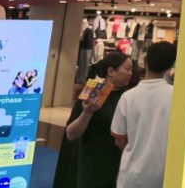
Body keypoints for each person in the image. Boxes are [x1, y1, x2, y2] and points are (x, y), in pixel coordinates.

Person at [53, 52, 134, 188]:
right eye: (127, 69)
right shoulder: (93, 91)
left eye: (132, 69)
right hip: (90, 163)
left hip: (117, 163)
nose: (130, 73)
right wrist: (88, 112)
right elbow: (71, 134)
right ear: (111, 71)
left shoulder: (128, 97)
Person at [111, 41, 177, 188]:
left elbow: (119, 140)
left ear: (145, 61)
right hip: (163, 176)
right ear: (170, 67)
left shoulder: (128, 97)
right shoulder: (177, 97)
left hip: (130, 177)